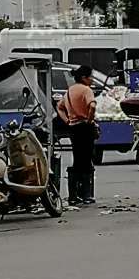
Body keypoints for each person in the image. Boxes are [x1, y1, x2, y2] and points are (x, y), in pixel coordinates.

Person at [57, 62, 98, 206]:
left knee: (78, 158)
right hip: (85, 128)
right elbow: (92, 106)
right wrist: (89, 120)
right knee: (86, 159)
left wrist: (67, 120)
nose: (92, 80)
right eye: (90, 77)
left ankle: (74, 195)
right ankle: (86, 194)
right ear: (84, 78)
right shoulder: (86, 90)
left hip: (73, 128)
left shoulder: (69, 91)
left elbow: (59, 107)